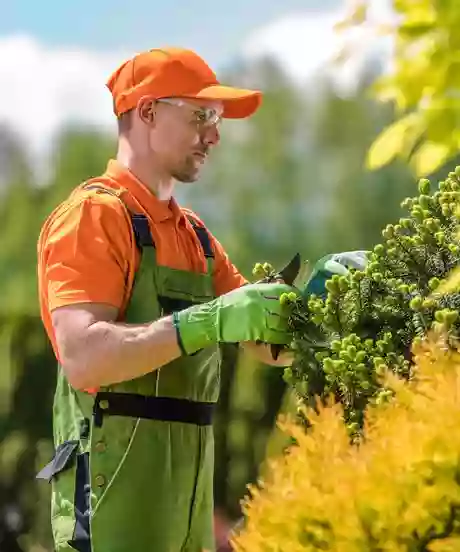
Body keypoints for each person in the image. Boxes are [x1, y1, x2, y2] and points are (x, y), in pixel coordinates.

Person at [36, 47, 298, 552]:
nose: (214, 134)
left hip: (187, 512)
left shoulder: (195, 236)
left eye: (217, 119)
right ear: (148, 111)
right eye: (201, 115)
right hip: (113, 505)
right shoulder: (94, 216)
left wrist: (326, 303)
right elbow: (84, 358)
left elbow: (267, 345)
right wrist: (204, 323)